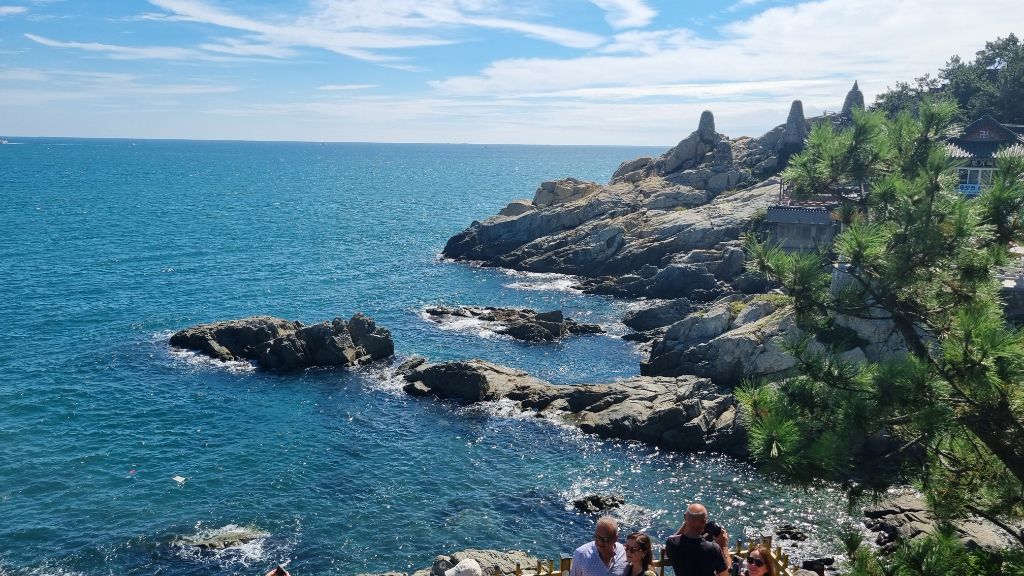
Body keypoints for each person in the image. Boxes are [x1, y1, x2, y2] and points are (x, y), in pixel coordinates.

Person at [663, 503, 732, 576]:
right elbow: (726, 574)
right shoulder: (713, 549)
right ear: (705, 521)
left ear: (685, 517)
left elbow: (666, 553)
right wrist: (723, 546)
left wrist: (688, 521)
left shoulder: (672, 543)